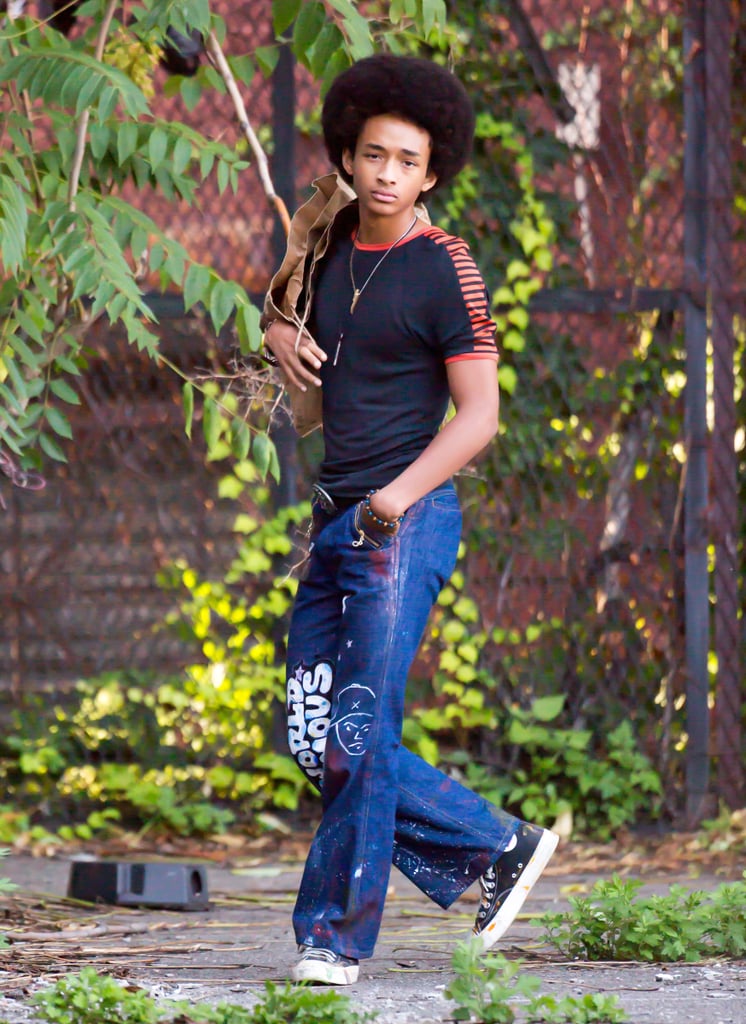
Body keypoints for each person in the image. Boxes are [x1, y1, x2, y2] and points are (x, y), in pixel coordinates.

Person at [260, 53, 558, 987]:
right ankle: (494, 845)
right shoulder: (325, 235)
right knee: (314, 730)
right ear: (347, 156)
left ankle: (332, 939)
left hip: (403, 519)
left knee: (353, 725)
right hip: (332, 518)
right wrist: (274, 332)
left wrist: (394, 499)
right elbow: (279, 307)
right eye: (372, 154)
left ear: (432, 173)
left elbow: (481, 416)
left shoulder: (447, 269)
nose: (386, 173)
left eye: (407, 160)